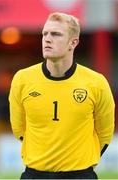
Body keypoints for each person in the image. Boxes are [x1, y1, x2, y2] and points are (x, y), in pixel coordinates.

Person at [9, 12, 115, 179]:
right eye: (45, 33)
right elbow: (19, 129)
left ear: (73, 42)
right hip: (34, 175)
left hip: (81, 176)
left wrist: (78, 162)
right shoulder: (22, 79)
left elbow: (105, 132)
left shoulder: (96, 82)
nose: (47, 39)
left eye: (56, 34)